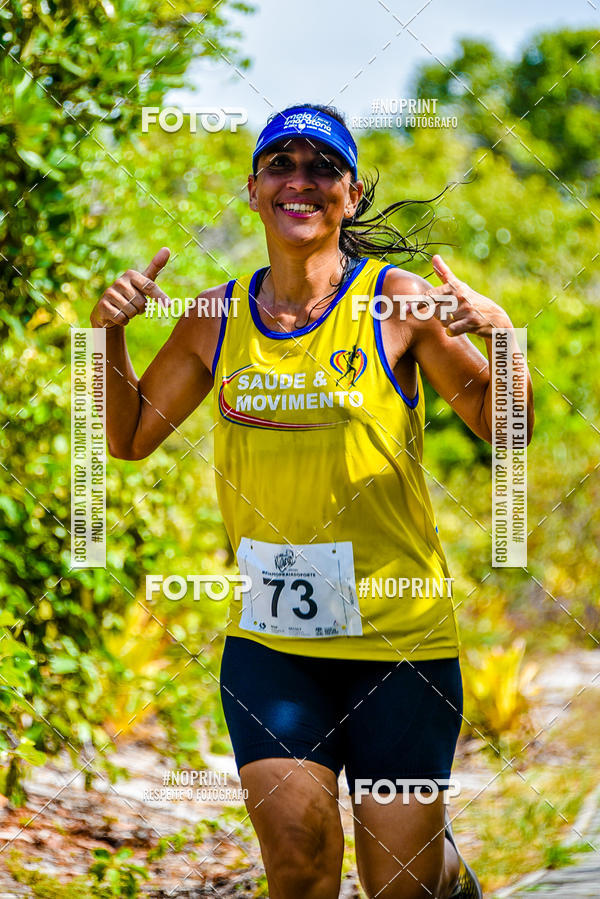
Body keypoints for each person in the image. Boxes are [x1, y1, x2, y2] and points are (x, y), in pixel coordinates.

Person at [91, 103, 534, 898]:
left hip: (400, 643)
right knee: (298, 863)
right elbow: (127, 436)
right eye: (282, 166)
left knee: (401, 882)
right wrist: (107, 337)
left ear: (353, 194)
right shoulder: (214, 317)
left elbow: (509, 430)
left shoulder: (398, 304)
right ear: (253, 190)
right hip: (273, 646)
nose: (302, 181)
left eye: (323, 167)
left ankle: (446, 873)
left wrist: (505, 340)